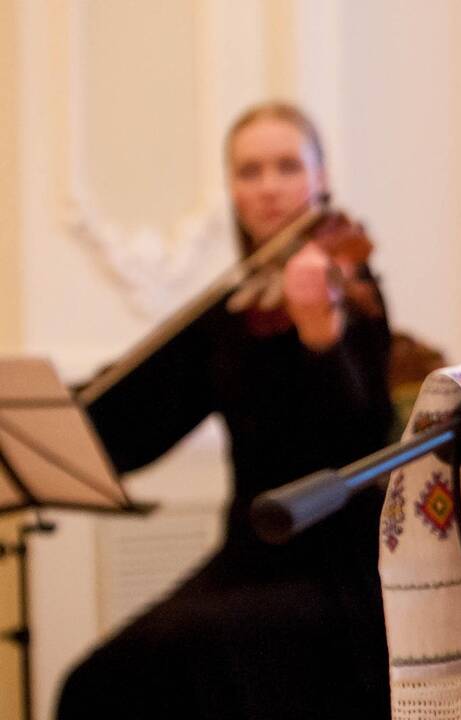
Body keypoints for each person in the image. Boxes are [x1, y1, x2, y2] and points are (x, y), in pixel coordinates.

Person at [57, 102, 393, 719]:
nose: (268, 187)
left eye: (287, 166)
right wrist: (60, 418)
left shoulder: (348, 281)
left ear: (320, 179)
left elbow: (361, 434)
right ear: (232, 189)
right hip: (247, 556)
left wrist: (321, 337)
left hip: (333, 575)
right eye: (249, 171)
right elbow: (144, 414)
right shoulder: (234, 311)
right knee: (95, 684)